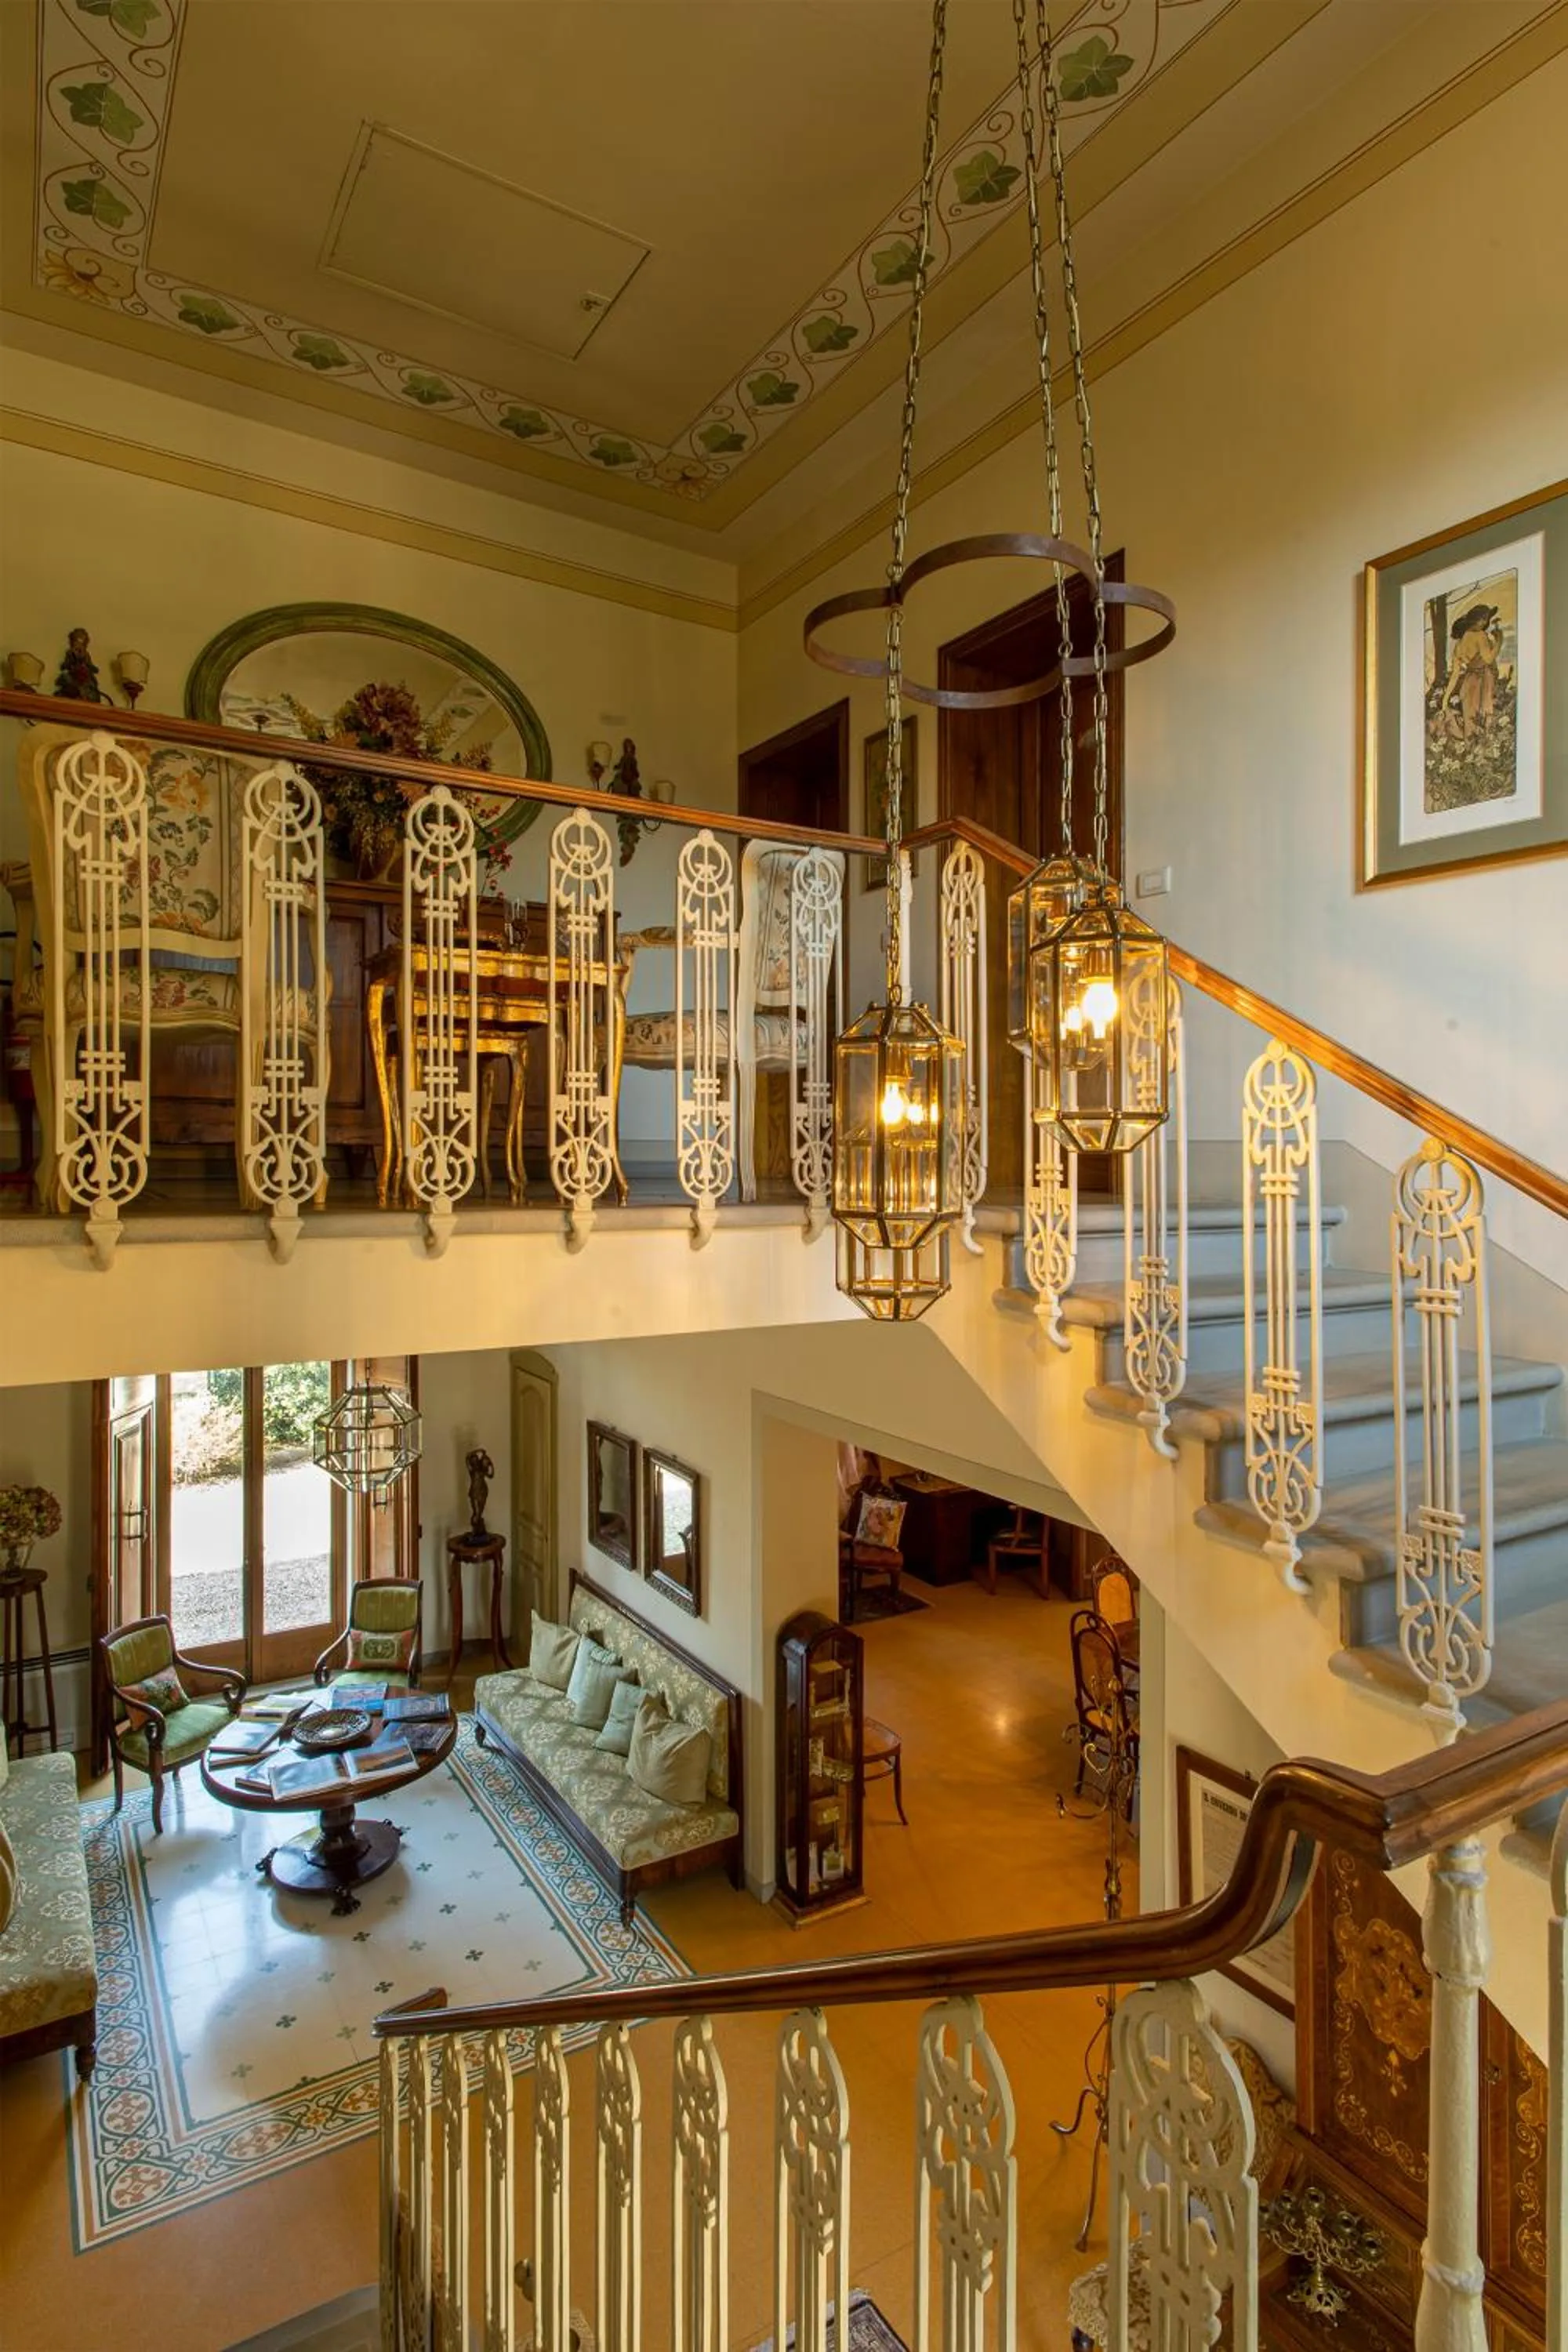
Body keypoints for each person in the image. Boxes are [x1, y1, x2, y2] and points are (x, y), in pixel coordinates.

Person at [1439, 601, 1504, 742]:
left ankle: (1472, 753)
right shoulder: (1480, 636)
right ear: (1479, 620)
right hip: (1482, 682)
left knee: (1471, 721)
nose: (1486, 622)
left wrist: (1445, 700)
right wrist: (1499, 640)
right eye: (1485, 619)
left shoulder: (1459, 644)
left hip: (1468, 685)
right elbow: (1488, 659)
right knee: (1485, 718)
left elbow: (1455, 675)